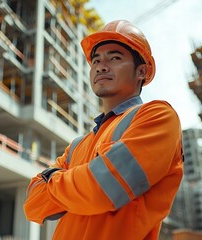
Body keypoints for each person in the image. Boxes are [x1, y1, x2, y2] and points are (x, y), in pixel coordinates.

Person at [24, 20, 184, 240]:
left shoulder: (158, 117)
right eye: (96, 60)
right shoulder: (78, 145)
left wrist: (52, 179)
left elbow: (102, 189)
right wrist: (81, 183)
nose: (101, 66)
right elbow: (32, 204)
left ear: (142, 71)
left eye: (115, 58)